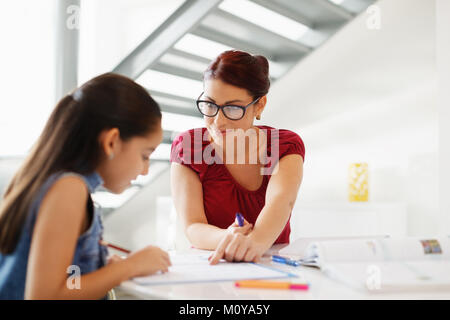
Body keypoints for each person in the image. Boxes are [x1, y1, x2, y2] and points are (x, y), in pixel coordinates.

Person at [0, 73, 171, 299]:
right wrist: (128, 268)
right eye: (145, 155)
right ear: (111, 141)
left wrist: (100, 269)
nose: (145, 170)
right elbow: (45, 295)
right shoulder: (68, 189)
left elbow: (68, 282)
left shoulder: (55, 182)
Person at [170, 50, 305, 265]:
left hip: (272, 268)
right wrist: (229, 238)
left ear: (259, 106)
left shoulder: (285, 146)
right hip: (213, 266)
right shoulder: (188, 147)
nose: (218, 121)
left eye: (232, 108)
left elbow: (281, 202)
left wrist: (255, 244)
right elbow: (193, 226)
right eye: (210, 105)